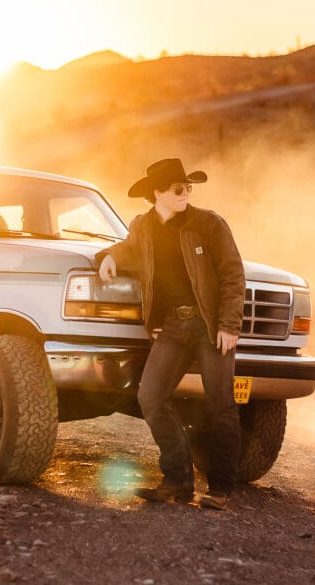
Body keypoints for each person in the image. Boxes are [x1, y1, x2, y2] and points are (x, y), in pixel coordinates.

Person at [97, 157, 246, 509]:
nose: (186, 194)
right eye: (179, 189)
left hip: (210, 327)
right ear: (158, 193)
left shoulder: (208, 224)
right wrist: (107, 256)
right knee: (149, 396)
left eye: (189, 187)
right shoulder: (143, 226)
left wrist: (229, 325)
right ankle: (177, 480)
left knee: (221, 404)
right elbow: (129, 250)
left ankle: (222, 489)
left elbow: (232, 275)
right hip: (174, 328)